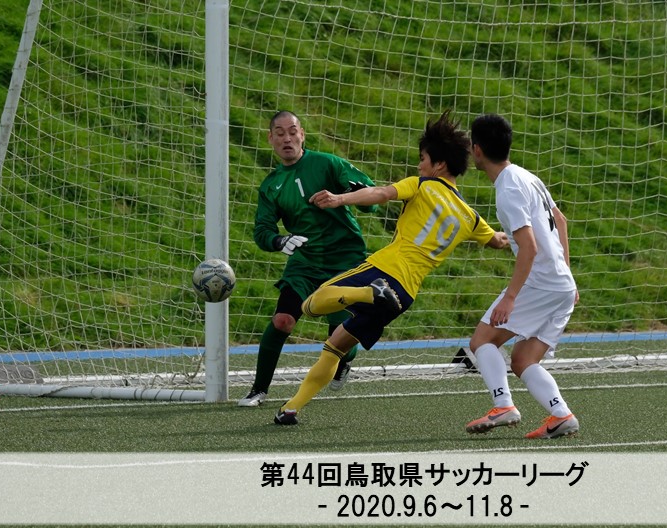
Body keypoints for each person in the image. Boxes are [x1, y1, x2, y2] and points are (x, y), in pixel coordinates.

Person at [273, 109, 508, 425]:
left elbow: (381, 193)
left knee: (312, 305)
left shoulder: (423, 185)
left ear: (439, 165)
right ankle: (291, 408)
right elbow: (497, 240)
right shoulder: (470, 217)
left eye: (423, 158)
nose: (419, 165)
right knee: (335, 346)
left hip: (384, 273)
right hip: (405, 294)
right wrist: (520, 230)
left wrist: (340, 199)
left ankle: (369, 294)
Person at [239, 110, 377, 407]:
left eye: (292, 131)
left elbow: (371, 201)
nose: (286, 138)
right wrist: (280, 240)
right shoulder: (271, 185)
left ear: (302, 135)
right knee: (283, 320)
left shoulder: (327, 164)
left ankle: (344, 361)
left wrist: (350, 191)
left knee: (340, 334)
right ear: (270, 139)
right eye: (279, 133)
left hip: (345, 260)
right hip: (305, 261)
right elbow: (262, 231)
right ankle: (258, 390)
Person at [463, 114, 580, 440]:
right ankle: (561, 415)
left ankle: (503, 405)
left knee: (482, 340)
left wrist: (511, 297)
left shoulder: (508, 189)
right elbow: (561, 221)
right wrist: (567, 277)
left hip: (541, 282)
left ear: (477, 151)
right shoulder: (527, 177)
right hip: (561, 285)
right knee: (523, 359)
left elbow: (528, 247)